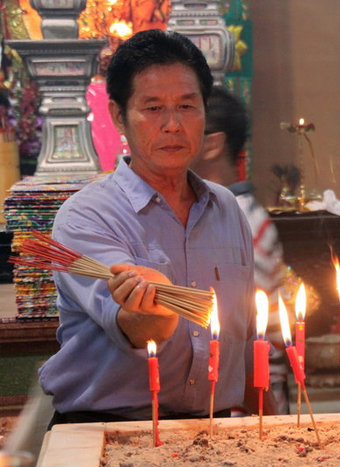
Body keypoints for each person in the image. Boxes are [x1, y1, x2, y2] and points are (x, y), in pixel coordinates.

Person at [38, 29, 274, 426]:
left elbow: (244, 337)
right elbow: (134, 329)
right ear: (118, 117)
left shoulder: (226, 207)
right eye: (152, 108)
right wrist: (154, 310)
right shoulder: (87, 216)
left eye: (186, 105)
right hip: (106, 426)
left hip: (213, 425)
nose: (172, 125)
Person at [189, 86, 289, 415]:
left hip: (247, 403)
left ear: (213, 144)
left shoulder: (242, 219)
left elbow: (242, 334)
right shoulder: (205, 212)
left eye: (188, 121)